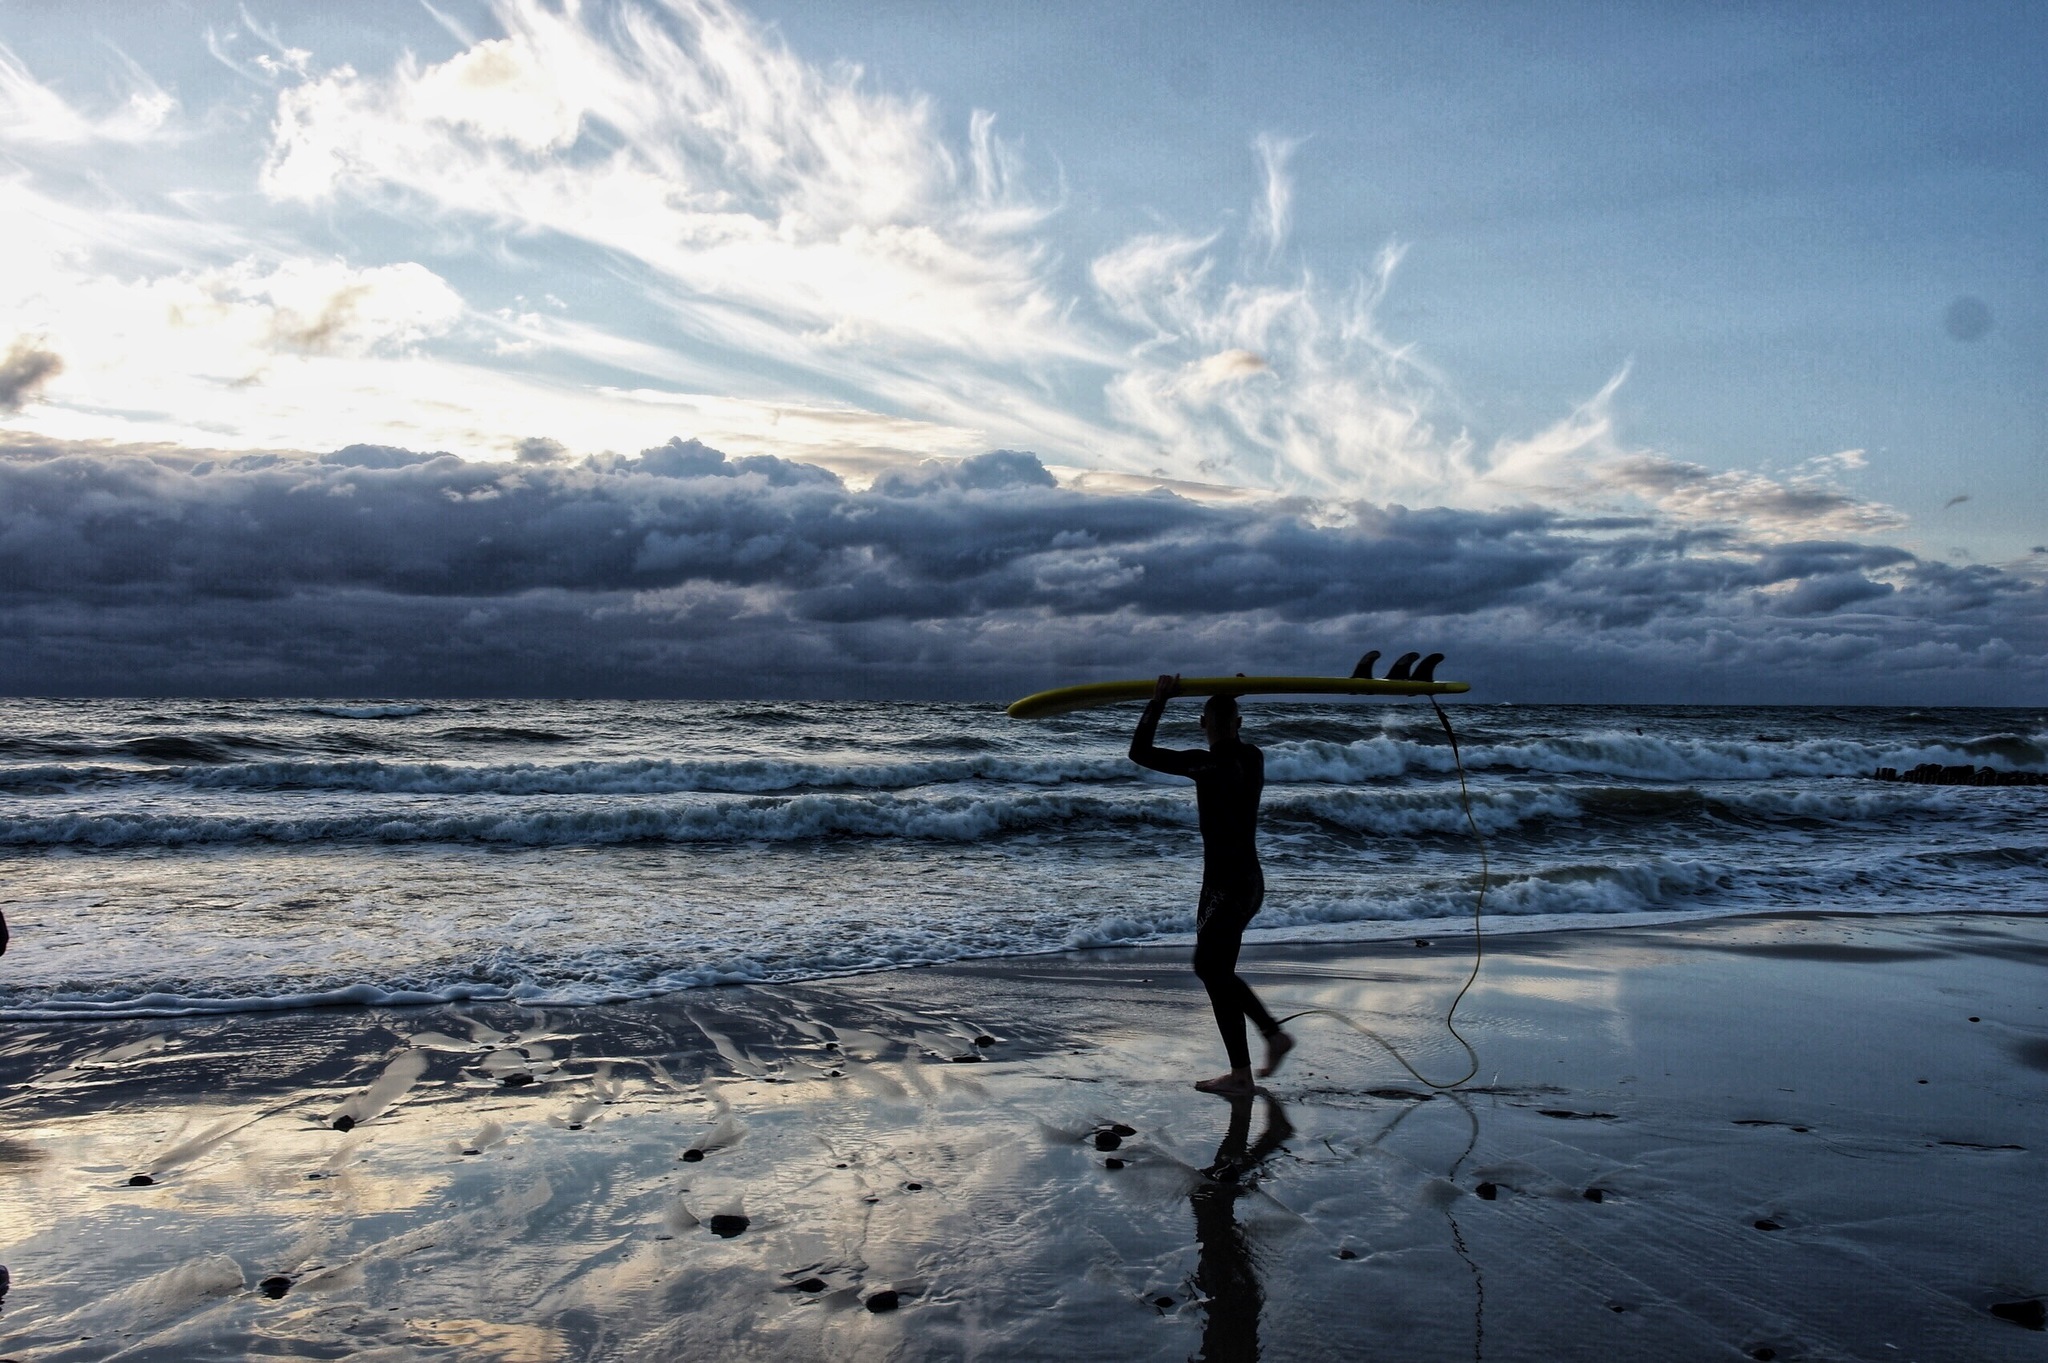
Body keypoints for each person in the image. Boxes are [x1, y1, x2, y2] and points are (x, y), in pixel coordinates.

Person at [1129, 674, 1292, 1094]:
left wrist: (1158, 700)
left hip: (1229, 886)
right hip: (1245, 883)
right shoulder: (1253, 756)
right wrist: (1228, 700)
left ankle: (1274, 1035)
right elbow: (1229, 728)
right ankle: (1240, 1075)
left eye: (1215, 721)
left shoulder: (1206, 764)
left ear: (1203, 723)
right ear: (1238, 722)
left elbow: (1139, 751)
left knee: (1209, 968)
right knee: (1219, 975)